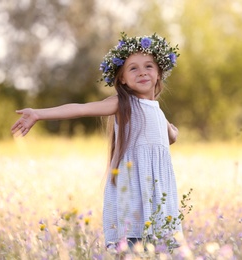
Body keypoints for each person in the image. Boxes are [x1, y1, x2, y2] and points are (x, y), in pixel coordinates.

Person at [11, 32, 182, 250]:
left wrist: (173, 133)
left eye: (149, 66)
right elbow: (80, 109)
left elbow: (170, 136)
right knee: (133, 242)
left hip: (157, 194)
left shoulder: (158, 112)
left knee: (160, 246)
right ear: (121, 78)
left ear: (159, 74)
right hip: (133, 192)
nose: (142, 72)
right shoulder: (122, 103)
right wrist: (38, 113)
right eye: (133, 68)